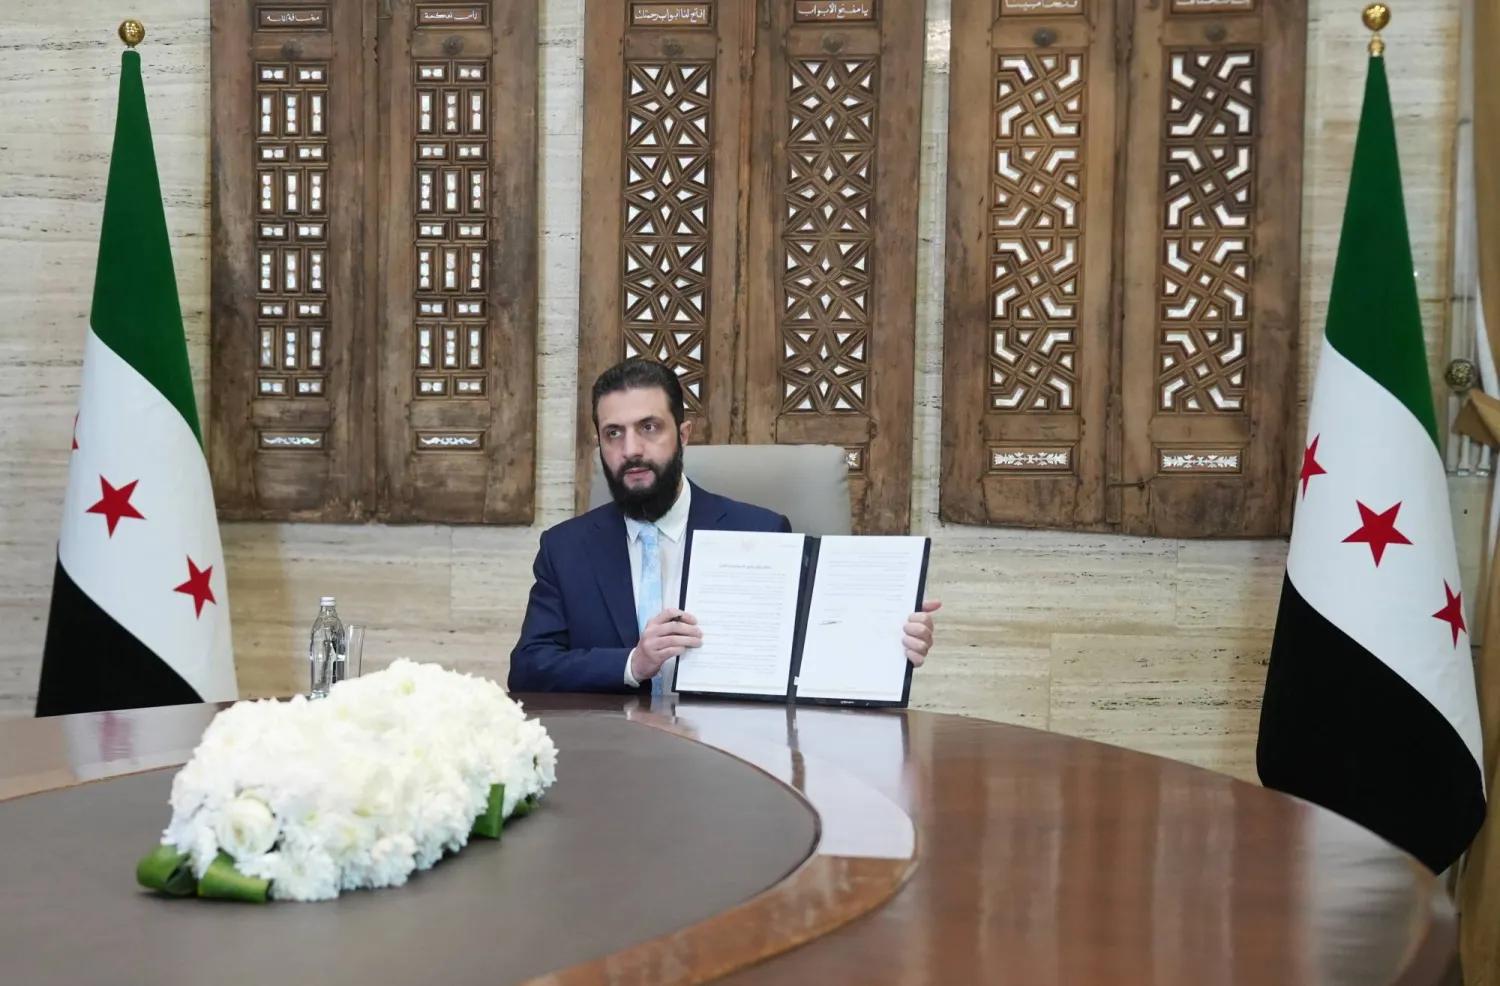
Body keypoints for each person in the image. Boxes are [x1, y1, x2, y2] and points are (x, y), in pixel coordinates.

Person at [508, 358, 940, 694]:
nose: (632, 449)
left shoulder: (760, 532)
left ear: (685, 434)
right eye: (614, 434)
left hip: (733, 754)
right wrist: (632, 664)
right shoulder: (565, 549)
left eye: (649, 427)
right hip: (613, 760)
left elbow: (810, 655)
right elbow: (528, 669)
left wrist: (890, 643)